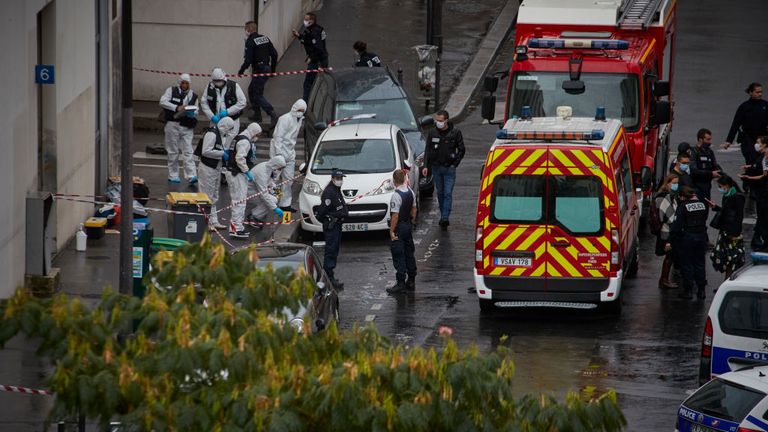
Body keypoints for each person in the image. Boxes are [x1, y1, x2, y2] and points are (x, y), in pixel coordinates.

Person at [422, 110, 465, 230]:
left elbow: (461, 149)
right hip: (436, 168)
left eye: (440, 121)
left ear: (446, 120)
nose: (438, 123)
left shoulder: (455, 133)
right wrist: (426, 166)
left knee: (447, 193)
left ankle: (445, 217)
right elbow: (427, 149)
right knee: (440, 193)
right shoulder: (432, 133)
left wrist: (454, 164)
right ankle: (443, 215)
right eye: (437, 120)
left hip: (449, 169)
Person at [668, 186, 709, 300]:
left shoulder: (683, 207)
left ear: (682, 196)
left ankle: (688, 290)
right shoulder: (702, 205)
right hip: (701, 237)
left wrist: (672, 239)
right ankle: (701, 291)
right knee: (700, 264)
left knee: (687, 264)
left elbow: (677, 225)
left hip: (688, 238)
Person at [159, 73, 199, 184]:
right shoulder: (171, 91)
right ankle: (173, 175)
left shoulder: (193, 96)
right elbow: (162, 101)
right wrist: (176, 107)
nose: (185, 85)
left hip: (187, 126)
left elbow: (196, 110)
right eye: (183, 83)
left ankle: (191, 175)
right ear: (179, 83)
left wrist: (192, 113)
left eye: (187, 83)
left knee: (188, 151)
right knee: (172, 151)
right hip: (172, 124)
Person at [237, 21, 279, 126]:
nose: (245, 31)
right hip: (266, 68)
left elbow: (248, 60)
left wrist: (241, 70)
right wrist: (272, 70)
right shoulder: (265, 38)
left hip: (259, 70)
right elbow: (274, 54)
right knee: (251, 90)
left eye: (245, 29)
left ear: (249, 30)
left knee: (257, 94)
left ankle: (272, 113)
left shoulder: (250, 41)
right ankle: (257, 114)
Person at [198, 117, 235, 231]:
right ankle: (205, 221)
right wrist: (222, 153)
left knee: (214, 196)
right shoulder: (212, 134)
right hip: (208, 168)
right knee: (206, 196)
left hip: (215, 168)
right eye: (229, 128)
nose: (228, 131)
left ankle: (213, 220)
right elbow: (205, 151)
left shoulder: (219, 134)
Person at [706, 175, 746, 280]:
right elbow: (726, 212)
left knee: (732, 259)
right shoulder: (728, 195)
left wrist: (735, 234)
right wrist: (716, 207)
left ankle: (729, 280)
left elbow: (738, 217)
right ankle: (727, 280)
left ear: (726, 185)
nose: (719, 188)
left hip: (732, 232)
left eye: (720, 186)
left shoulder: (737, 197)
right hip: (725, 230)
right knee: (726, 258)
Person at [226, 122, 262, 238]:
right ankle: (236, 228)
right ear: (253, 132)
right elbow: (240, 158)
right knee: (240, 201)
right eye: (258, 134)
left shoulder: (238, 138)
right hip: (238, 174)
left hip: (233, 172)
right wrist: (246, 171)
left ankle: (236, 227)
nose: (257, 137)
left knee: (237, 201)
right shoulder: (245, 142)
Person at [270, 99, 306, 212]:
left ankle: (285, 204)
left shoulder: (299, 119)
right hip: (279, 151)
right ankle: (273, 201)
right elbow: (278, 137)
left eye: (302, 111)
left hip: (290, 152)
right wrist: (279, 153)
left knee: (288, 180)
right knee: (274, 179)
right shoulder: (285, 119)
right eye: (299, 110)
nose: (300, 112)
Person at [385, 169, 418, 294]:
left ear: (394, 181)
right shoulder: (410, 192)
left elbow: (395, 216)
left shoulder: (396, 195)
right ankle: (411, 280)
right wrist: (412, 222)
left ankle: (400, 283)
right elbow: (414, 209)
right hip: (407, 226)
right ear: (404, 179)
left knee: (398, 254)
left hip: (399, 227)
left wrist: (391, 231)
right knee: (409, 252)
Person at [316, 170, 348, 289]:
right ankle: (328, 277)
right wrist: (329, 220)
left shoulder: (336, 190)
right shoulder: (329, 193)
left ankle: (330, 275)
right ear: (333, 178)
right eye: (338, 178)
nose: (340, 180)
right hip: (332, 226)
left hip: (337, 225)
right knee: (331, 250)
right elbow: (321, 213)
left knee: (334, 250)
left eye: (341, 178)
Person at [723, 82, 768, 164]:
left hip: (763, 139)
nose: (760, 94)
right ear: (750, 92)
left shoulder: (765, 105)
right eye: (757, 92)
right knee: (751, 162)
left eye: (761, 92)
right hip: (748, 140)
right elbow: (735, 124)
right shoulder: (744, 107)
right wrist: (729, 141)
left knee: (763, 162)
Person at [292, 12, 329, 102]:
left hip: (317, 61)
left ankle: (306, 105)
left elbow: (318, 48)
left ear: (312, 21)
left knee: (308, 84)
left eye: (306, 19)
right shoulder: (313, 29)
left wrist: (311, 58)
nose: (304, 21)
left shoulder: (314, 32)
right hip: (320, 59)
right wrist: (299, 36)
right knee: (317, 83)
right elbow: (307, 40)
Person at [740, 136, 768, 250]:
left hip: (765, 192)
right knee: (762, 217)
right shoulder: (763, 157)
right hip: (763, 191)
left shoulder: (766, 157)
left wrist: (749, 178)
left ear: (765, 144)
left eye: (758, 143)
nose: (756, 144)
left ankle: (764, 243)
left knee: (764, 217)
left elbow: (765, 176)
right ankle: (758, 240)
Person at [201, 67, 247, 133]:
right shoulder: (209, 87)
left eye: (220, 81)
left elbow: (242, 102)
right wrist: (211, 116)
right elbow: (203, 103)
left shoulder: (233, 86)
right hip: (216, 120)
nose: (218, 83)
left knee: (231, 140)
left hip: (232, 120)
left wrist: (228, 112)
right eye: (216, 81)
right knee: (215, 140)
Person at [246, 155, 287, 228]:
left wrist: (276, 190)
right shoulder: (262, 173)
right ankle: (254, 217)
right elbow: (264, 195)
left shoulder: (268, 167)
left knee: (273, 199)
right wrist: (275, 208)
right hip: (249, 192)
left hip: (255, 190)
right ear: (276, 165)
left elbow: (269, 181)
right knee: (271, 201)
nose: (280, 170)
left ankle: (256, 214)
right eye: (280, 168)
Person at [654, 175, 679, 289]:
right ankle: (664, 280)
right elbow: (670, 217)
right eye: (673, 183)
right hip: (667, 232)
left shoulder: (666, 196)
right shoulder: (665, 197)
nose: (675, 185)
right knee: (669, 256)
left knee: (670, 256)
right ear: (667, 183)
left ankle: (664, 279)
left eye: (677, 183)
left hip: (666, 231)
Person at [690, 128, 721, 203]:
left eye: (710, 139)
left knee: (706, 208)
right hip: (696, 187)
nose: (710, 142)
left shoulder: (709, 152)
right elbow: (694, 171)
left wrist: (719, 172)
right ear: (700, 140)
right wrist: (710, 173)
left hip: (707, 186)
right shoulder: (694, 152)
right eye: (708, 139)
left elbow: (715, 165)